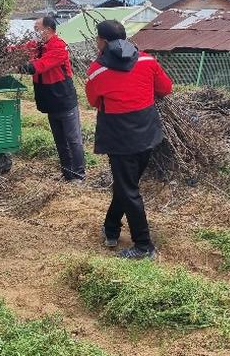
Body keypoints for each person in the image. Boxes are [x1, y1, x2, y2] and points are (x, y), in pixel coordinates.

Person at [85, 19, 172, 259]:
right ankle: (111, 229)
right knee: (127, 186)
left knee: (128, 189)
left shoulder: (96, 71)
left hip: (119, 137)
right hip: (147, 134)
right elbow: (165, 89)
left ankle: (144, 246)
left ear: (101, 41)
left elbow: (94, 101)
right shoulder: (147, 61)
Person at [19, 15, 86, 181]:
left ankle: (79, 175)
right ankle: (67, 174)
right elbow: (18, 49)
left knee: (73, 139)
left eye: (37, 29)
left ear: (48, 30)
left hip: (64, 99)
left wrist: (19, 67)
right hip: (49, 100)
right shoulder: (36, 46)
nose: (34, 33)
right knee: (60, 141)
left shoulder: (59, 46)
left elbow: (40, 66)